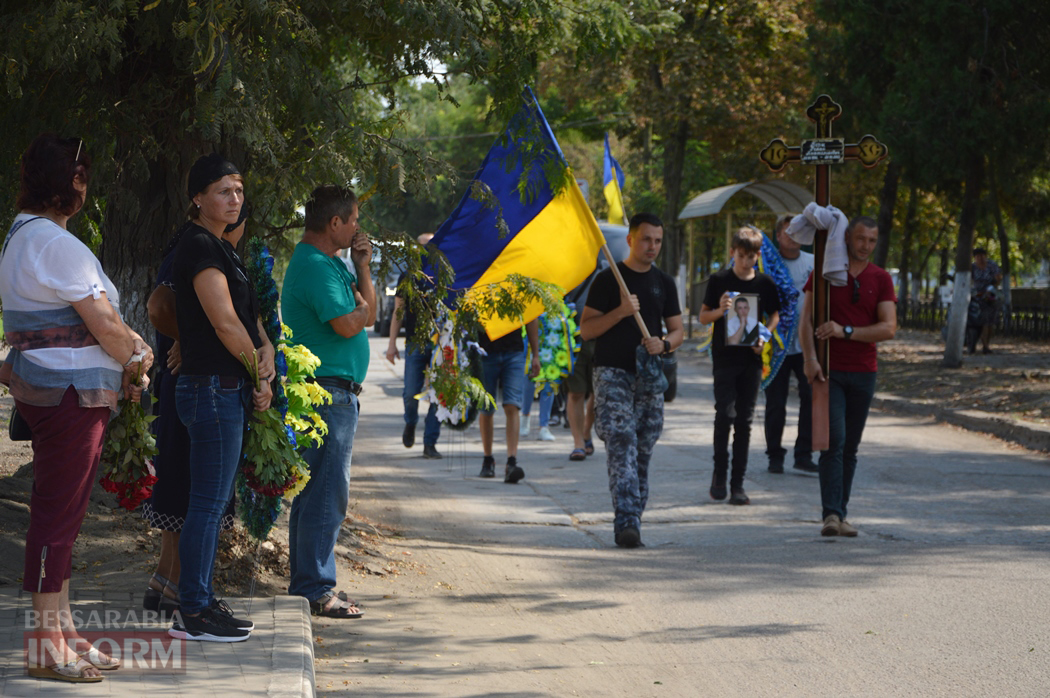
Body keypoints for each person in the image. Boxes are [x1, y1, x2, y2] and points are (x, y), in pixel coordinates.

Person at [0, 134, 153, 681]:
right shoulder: (54, 242)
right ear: (72, 182)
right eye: (82, 174)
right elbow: (105, 325)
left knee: (62, 516)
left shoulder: (24, 235)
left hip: (56, 392)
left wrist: (130, 351)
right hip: (69, 396)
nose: (86, 184)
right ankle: (45, 644)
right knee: (56, 519)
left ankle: (61, 630)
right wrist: (137, 356)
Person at [170, 154, 274, 642]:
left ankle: (201, 600)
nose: (235, 199)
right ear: (197, 198)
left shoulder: (221, 246)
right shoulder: (198, 247)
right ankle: (192, 610)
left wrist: (266, 351)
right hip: (213, 389)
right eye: (223, 191)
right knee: (207, 507)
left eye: (238, 190)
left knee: (213, 505)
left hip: (223, 386)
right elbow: (223, 323)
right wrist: (258, 375)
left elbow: (246, 318)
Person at [141, 213, 247, 618]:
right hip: (195, 381)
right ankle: (188, 595)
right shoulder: (199, 248)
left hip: (192, 380)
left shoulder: (209, 249)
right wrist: (190, 339)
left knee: (191, 488)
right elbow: (159, 305)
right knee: (197, 493)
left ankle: (168, 582)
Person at [282, 185, 375, 618]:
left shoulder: (334, 264)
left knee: (317, 490)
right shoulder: (316, 267)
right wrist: (361, 306)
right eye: (353, 219)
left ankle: (309, 583)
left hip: (335, 392)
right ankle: (315, 587)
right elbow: (350, 323)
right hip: (326, 392)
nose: (358, 227)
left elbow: (364, 314)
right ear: (334, 223)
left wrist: (361, 270)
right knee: (325, 492)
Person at [581, 213, 683, 548]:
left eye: (657, 240)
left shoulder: (664, 283)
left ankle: (634, 516)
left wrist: (664, 344)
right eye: (645, 239)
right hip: (612, 372)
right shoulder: (609, 280)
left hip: (649, 376)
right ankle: (626, 521)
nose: (652, 246)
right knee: (621, 439)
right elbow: (587, 329)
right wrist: (621, 312)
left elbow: (678, 329)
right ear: (630, 240)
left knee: (642, 447)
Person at [800, 216, 896, 538]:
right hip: (830, 372)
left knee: (850, 447)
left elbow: (888, 328)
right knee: (834, 442)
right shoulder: (826, 272)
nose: (865, 246)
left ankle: (841, 513)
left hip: (864, 372)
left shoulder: (881, 278)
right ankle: (831, 515)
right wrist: (810, 358)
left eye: (871, 240)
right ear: (847, 239)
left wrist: (846, 331)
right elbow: (806, 319)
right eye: (860, 239)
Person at [699, 227, 781, 506]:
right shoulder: (720, 280)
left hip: (751, 361)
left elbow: (775, 315)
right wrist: (721, 310)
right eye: (741, 255)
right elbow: (702, 317)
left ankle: (738, 484)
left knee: (745, 421)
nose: (745, 261)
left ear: (758, 256)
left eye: (751, 256)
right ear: (732, 252)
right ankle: (719, 475)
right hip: (724, 359)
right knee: (725, 415)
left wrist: (765, 335)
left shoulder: (765, 284)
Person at [764, 215, 817, 474]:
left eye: (798, 231)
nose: (793, 236)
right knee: (776, 402)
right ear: (777, 236)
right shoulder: (768, 264)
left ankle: (804, 454)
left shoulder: (813, 263)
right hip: (777, 345)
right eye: (787, 232)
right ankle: (775, 455)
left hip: (806, 343)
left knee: (810, 397)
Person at [386, 233, 441, 459]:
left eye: (431, 247)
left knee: (438, 394)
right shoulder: (407, 277)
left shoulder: (444, 276)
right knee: (411, 392)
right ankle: (411, 422)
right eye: (423, 247)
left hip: (440, 344)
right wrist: (391, 344)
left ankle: (430, 442)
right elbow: (398, 311)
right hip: (415, 343)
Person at [477, 319, 540, 482]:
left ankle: (512, 461)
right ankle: (488, 459)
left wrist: (536, 354)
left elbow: (531, 317)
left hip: (514, 352)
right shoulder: (476, 291)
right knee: (486, 407)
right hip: (485, 351)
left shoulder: (519, 291)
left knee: (512, 405)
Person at [970, 246, 1002, 354]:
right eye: (978, 256)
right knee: (982, 321)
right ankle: (981, 344)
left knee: (989, 322)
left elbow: (998, 278)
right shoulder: (972, 267)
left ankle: (986, 345)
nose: (980, 258)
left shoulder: (992, 265)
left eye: (982, 256)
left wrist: (991, 288)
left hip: (990, 296)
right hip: (977, 297)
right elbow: (969, 280)